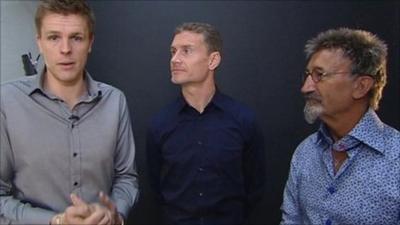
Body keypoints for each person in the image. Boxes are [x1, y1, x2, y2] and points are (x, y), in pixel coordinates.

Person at [0, 0, 139, 224]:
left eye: (76, 37)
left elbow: (126, 178)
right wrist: (55, 221)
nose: (65, 49)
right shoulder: (7, 101)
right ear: (39, 43)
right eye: (54, 37)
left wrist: (115, 213)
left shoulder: (115, 101)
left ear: (90, 42)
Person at [146, 22, 266, 225]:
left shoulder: (243, 120)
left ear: (213, 60)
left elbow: (255, 186)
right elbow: (156, 188)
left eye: (187, 51)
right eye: (173, 51)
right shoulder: (160, 124)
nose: (175, 59)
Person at [280, 28, 400, 225]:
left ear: (361, 86)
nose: (306, 88)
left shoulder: (396, 157)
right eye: (307, 76)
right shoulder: (305, 153)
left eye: (320, 75)